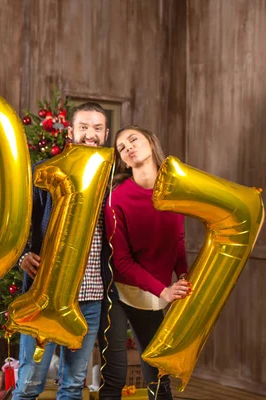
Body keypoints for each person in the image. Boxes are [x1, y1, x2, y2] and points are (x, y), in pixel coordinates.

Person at [13, 102, 113, 400]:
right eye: (83, 127)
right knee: (29, 384)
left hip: (91, 299)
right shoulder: (46, 173)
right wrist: (22, 255)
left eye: (97, 128)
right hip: (43, 297)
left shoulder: (113, 182)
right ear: (71, 132)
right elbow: (18, 224)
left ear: (106, 133)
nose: (90, 135)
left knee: (72, 386)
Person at [99, 126, 191, 400]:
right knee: (114, 375)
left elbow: (178, 241)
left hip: (153, 296)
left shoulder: (174, 191)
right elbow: (122, 261)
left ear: (151, 142)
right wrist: (163, 290)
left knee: (158, 375)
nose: (128, 147)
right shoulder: (117, 198)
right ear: (123, 160)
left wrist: (183, 274)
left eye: (133, 139)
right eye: (121, 147)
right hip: (119, 291)